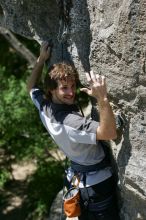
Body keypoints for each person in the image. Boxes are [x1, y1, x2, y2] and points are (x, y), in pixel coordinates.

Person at [27, 41, 120, 220]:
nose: (71, 92)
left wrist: (41, 60)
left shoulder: (45, 107)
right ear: (51, 90)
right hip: (97, 187)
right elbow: (109, 133)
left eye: (72, 86)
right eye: (64, 88)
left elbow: (31, 87)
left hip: (76, 179)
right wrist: (103, 98)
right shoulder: (71, 123)